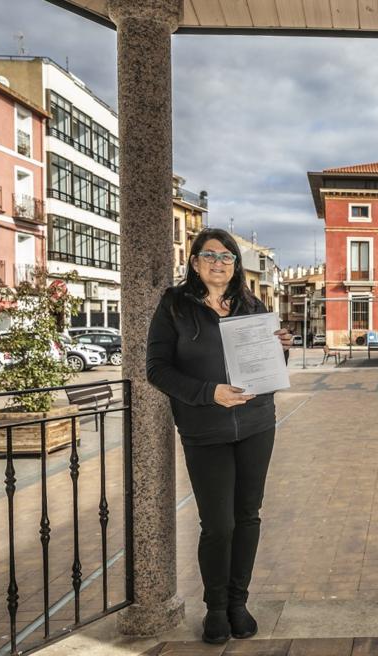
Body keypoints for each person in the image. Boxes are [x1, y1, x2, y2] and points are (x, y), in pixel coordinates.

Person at [146, 228, 293, 644]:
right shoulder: (175, 306)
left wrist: (281, 347)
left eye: (227, 256)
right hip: (204, 429)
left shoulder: (252, 304)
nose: (218, 263)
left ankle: (238, 603)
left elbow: (263, 365)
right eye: (209, 255)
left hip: (256, 425)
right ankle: (214, 606)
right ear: (194, 263)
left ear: (236, 265)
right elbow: (156, 369)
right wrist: (208, 393)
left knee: (248, 516)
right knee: (217, 524)